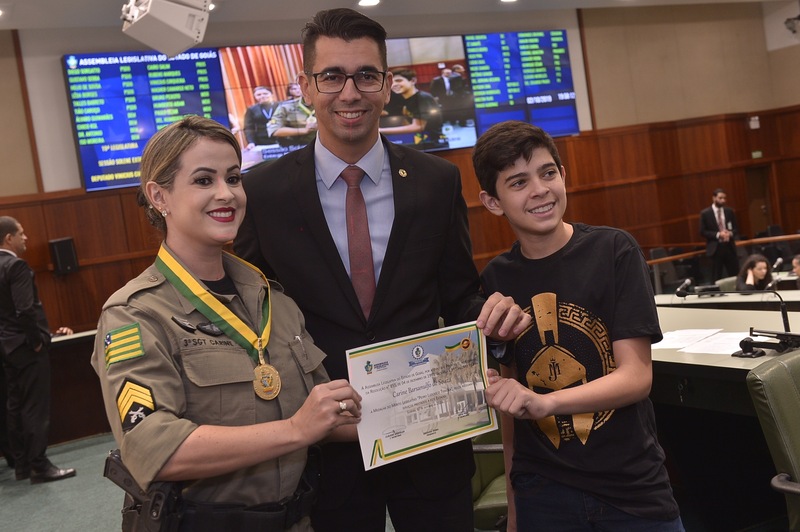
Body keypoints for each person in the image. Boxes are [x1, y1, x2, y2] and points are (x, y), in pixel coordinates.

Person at [233, 8, 530, 532]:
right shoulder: (262, 193)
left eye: (366, 75)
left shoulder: (436, 182)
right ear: (307, 86)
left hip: (431, 438)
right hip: (328, 452)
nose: (350, 93)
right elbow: (250, 316)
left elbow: (458, 295)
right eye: (332, 76)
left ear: (387, 85)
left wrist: (493, 318)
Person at [90, 116, 362, 531]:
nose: (226, 193)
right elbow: (153, 447)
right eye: (204, 180)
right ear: (159, 196)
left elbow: (321, 418)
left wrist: (423, 405)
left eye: (233, 178)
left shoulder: (274, 300)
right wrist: (295, 429)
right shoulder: (134, 314)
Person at [472, 121, 683, 531]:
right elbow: (512, 403)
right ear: (493, 202)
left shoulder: (614, 250)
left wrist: (547, 403)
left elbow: (637, 377)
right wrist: (515, 511)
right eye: (518, 182)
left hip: (629, 485)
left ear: (564, 176)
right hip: (542, 492)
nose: (539, 190)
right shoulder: (496, 280)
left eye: (548, 173)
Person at [0, 216, 76, 484]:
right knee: (35, 406)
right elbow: (25, 310)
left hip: (6, 347)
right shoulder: (16, 266)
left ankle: (21, 465)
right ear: (9, 238)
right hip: (25, 346)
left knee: (15, 405)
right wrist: (37, 341)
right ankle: (40, 466)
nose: (26, 238)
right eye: (21, 233)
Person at [379, 68, 448, 150]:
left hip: (434, 144)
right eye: (392, 82)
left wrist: (380, 130)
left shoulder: (422, 98)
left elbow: (418, 127)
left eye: (398, 80)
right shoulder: (404, 98)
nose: (394, 85)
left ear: (413, 81)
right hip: (419, 141)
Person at [699, 188, 740, 282]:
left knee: (734, 274)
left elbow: (736, 229)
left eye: (724, 198)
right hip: (715, 249)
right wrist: (718, 234)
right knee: (716, 276)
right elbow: (702, 231)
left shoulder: (729, 211)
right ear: (714, 198)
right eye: (720, 198)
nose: (723, 200)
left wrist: (730, 233)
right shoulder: (705, 213)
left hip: (729, 247)